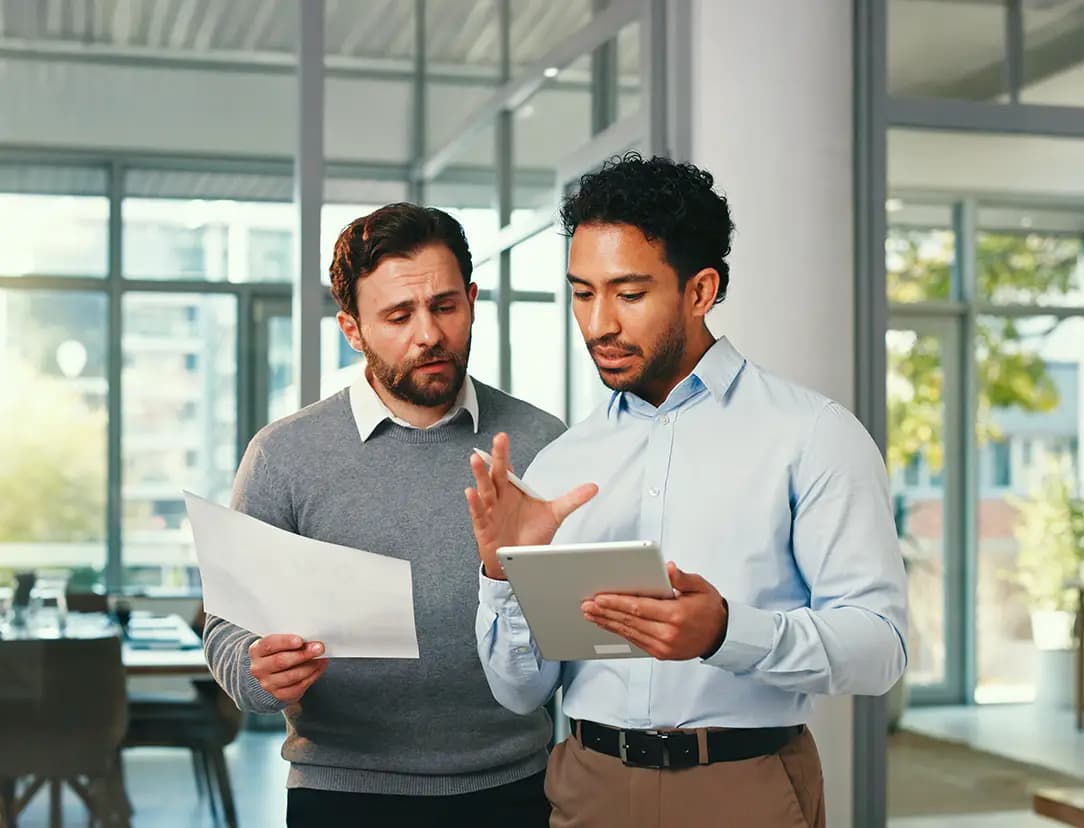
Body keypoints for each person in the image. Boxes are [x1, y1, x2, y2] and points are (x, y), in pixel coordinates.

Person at [467, 154, 908, 828]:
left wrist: (728, 632)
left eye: (629, 293)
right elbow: (520, 691)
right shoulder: (560, 465)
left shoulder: (813, 436)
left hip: (744, 790)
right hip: (590, 788)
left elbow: (880, 648)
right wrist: (502, 577)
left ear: (700, 291)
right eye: (582, 292)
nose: (597, 323)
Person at [203, 203, 565, 828]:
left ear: (472, 301)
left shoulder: (541, 443)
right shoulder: (283, 456)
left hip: (515, 789)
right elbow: (226, 631)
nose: (428, 334)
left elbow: (570, 626)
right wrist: (260, 671)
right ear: (352, 328)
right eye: (398, 316)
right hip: (341, 794)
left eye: (445, 306)